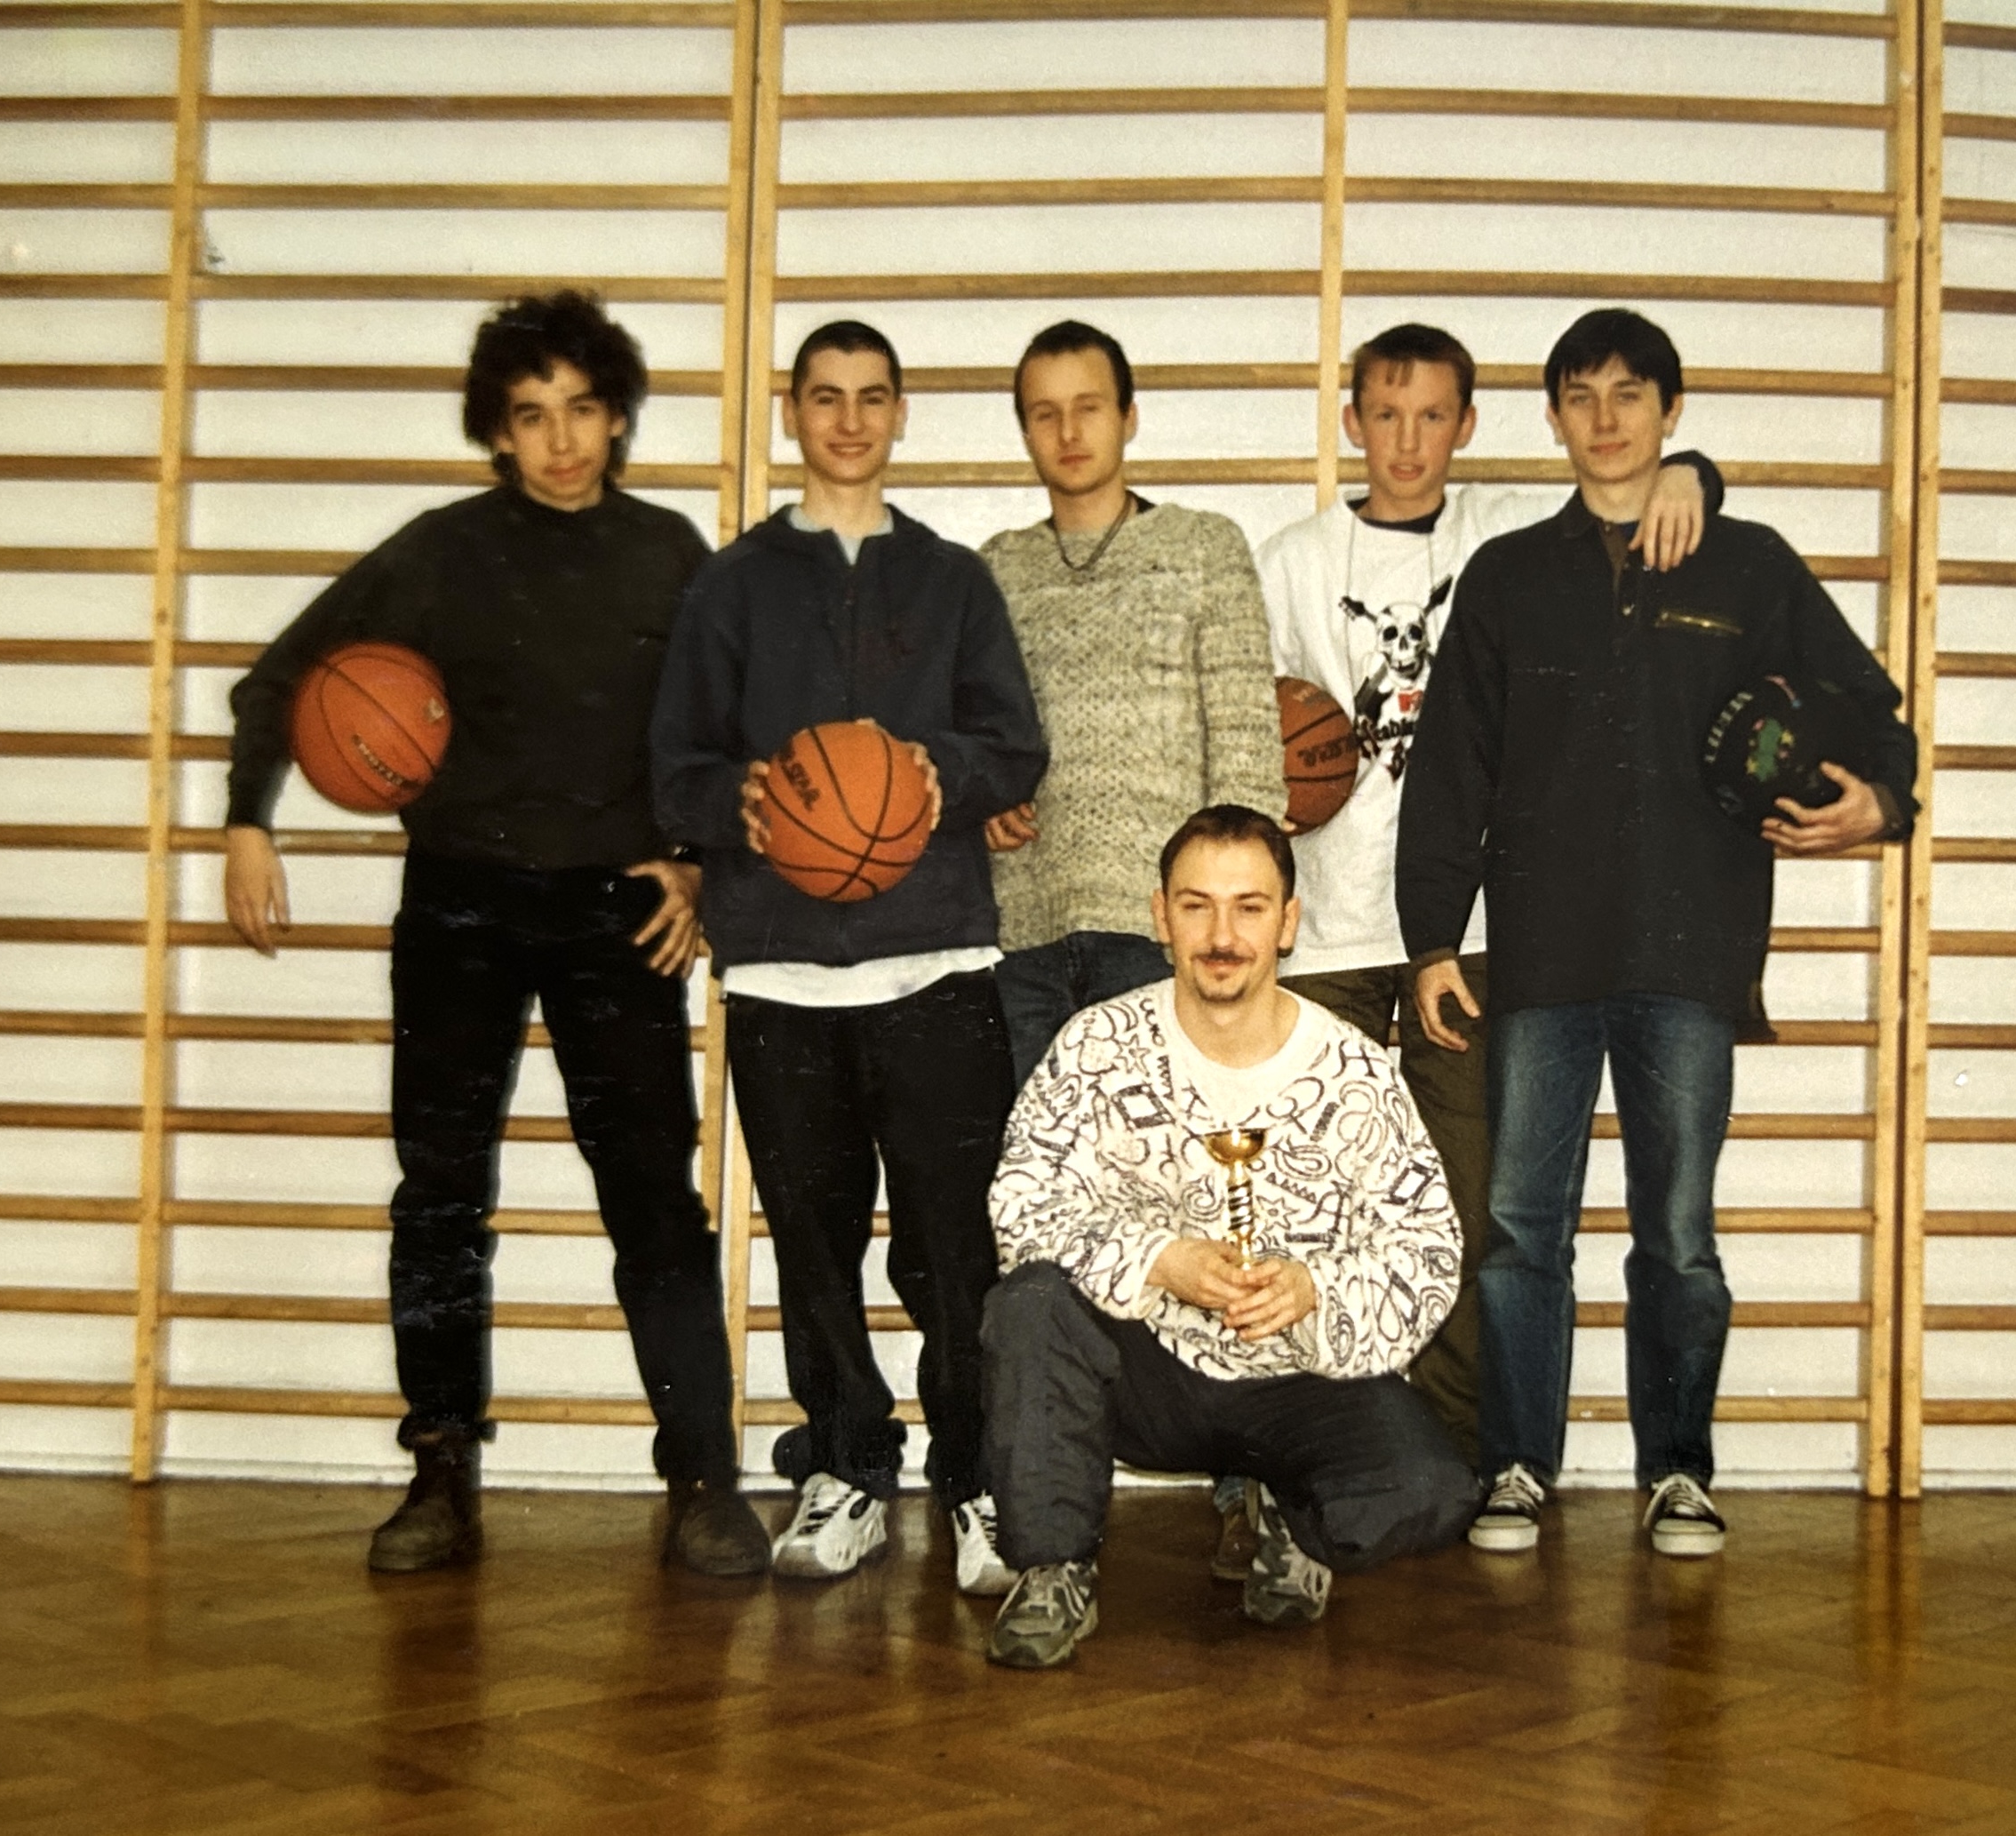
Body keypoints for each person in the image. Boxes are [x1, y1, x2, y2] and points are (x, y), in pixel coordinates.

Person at [222, 291, 763, 1577]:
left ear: (618, 416)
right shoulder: (441, 551)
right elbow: (280, 677)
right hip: (461, 898)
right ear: (497, 432)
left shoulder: (668, 553)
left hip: (614, 910)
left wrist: (699, 865)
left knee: (654, 1199)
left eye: (582, 409)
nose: (560, 440)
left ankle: (702, 1477)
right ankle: (439, 1470)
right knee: (439, 1196)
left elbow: (732, 735)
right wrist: (248, 821)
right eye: (531, 415)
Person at [1398, 307, 1919, 1559]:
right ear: (1551, 418)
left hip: (1688, 957)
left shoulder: (1746, 565)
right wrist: (1430, 939)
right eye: (1579, 396)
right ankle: (1515, 1464)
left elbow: (1869, 707)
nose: (1605, 418)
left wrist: (1880, 800)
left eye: (1629, 394)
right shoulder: (1509, 575)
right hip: (1540, 959)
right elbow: (1450, 767)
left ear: (1669, 411)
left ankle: (1676, 1468)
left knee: (1675, 1237)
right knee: (1519, 1231)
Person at [1257, 322, 1721, 1473]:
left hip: (1464, 937)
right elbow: (1249, 728)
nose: (1406, 439)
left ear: (1466, 426)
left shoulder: (1504, 532)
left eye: (1432, 415)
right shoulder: (1292, 560)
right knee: (1302, 1202)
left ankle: (1454, 1453)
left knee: (1468, 1210)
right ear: (1350, 421)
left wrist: (1690, 473)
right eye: (1383, 413)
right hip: (1322, 930)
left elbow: (1622, 484)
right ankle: (1289, 1458)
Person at [650, 320, 1048, 1593]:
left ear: (900, 412)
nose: (848, 420)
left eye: (872, 397)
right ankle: (845, 1465)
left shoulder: (951, 579)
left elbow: (1015, 745)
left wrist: (941, 772)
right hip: (778, 967)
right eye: (825, 397)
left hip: (935, 960)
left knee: (956, 1247)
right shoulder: (731, 584)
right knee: (811, 1247)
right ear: (792, 412)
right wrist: (735, 804)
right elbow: (675, 766)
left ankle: (974, 1476)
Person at [981, 805, 1476, 1669]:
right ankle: (1053, 1566)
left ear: (1287, 921)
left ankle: (1293, 1519)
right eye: (1196, 905)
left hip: (1297, 1378)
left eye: (1249, 907)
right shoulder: (1097, 1045)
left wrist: (1314, 1288)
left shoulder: (1354, 1071)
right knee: (1028, 1304)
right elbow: (1021, 1201)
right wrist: (1159, 1260)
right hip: (1147, 1369)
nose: (1221, 935)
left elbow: (1425, 1248)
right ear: (1160, 916)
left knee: (1431, 1489)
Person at [980, 320, 1287, 1090]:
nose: (1068, 431)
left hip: (1163, 934)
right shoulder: (993, 570)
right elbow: (966, 743)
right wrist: (980, 799)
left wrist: (1224, 925)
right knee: (1039, 1162)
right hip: (1025, 938)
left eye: (1088, 407)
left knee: (1170, 1157)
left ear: (1128, 416)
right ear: (1025, 430)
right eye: (1045, 413)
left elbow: (1247, 746)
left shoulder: (1203, 549)